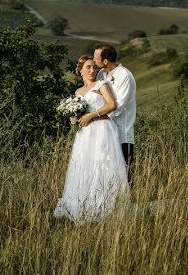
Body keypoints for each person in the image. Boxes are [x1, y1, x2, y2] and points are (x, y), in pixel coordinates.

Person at [53, 55, 130, 223]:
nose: (92, 70)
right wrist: (75, 118)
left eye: (94, 67)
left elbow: (111, 105)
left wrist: (91, 115)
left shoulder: (101, 85)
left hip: (102, 129)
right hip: (85, 133)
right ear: (80, 70)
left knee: (101, 165)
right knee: (84, 165)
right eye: (88, 67)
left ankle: (104, 206)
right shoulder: (78, 92)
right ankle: (82, 204)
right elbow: (79, 113)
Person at [94, 44, 136, 184]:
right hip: (103, 131)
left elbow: (117, 106)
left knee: (124, 173)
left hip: (121, 133)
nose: (93, 61)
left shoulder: (125, 76)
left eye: (95, 58)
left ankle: (126, 203)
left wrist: (94, 117)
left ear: (105, 61)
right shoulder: (101, 74)